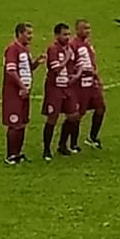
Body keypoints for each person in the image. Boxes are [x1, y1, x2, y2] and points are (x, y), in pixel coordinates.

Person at [1, 22, 39, 166]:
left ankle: (17, 153)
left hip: (24, 93)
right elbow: (11, 71)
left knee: (22, 124)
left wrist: (36, 63)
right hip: (14, 93)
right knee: (15, 124)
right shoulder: (12, 49)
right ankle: (10, 155)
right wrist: (22, 86)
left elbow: (27, 69)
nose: (31, 36)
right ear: (20, 33)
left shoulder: (25, 50)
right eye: (28, 33)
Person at [39, 23, 75, 160]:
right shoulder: (53, 49)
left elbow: (71, 66)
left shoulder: (69, 49)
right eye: (64, 34)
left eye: (68, 34)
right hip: (54, 88)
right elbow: (56, 69)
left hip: (67, 87)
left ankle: (62, 145)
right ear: (56, 35)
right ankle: (47, 150)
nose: (67, 37)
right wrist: (66, 58)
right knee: (52, 118)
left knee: (73, 116)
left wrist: (73, 75)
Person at [70, 19, 106, 150]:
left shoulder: (88, 45)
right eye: (85, 28)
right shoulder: (73, 45)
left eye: (89, 28)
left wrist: (97, 77)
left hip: (92, 83)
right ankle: (72, 143)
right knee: (78, 114)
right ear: (77, 30)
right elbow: (70, 65)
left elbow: (92, 63)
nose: (87, 31)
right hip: (80, 85)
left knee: (101, 108)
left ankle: (92, 137)